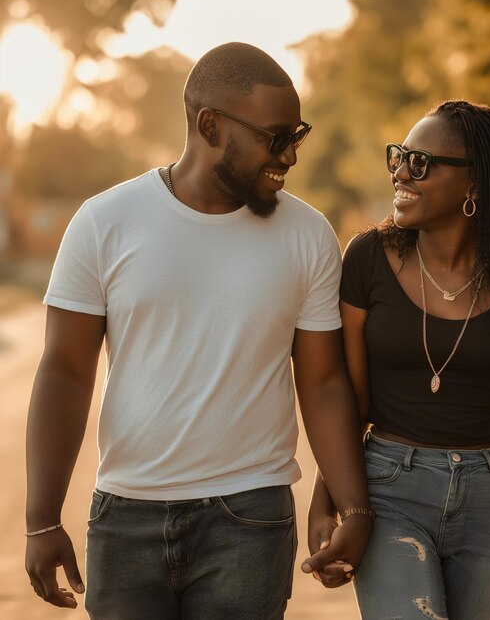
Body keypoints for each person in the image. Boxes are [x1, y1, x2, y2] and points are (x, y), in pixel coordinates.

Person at [25, 42, 373, 619]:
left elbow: (324, 383)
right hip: (127, 515)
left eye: (297, 135)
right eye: (275, 136)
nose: (289, 156)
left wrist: (354, 508)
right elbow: (64, 372)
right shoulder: (104, 222)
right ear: (209, 125)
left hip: (252, 517)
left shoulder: (308, 235)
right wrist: (42, 517)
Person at [304, 100, 490, 620]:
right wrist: (330, 500)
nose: (400, 172)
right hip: (392, 488)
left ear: (475, 186)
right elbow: (352, 400)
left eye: (421, 163)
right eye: (399, 156)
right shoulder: (368, 258)